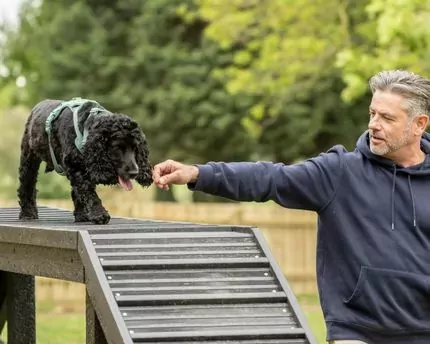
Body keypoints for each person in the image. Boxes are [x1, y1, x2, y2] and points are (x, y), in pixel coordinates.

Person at [152, 70, 430, 344]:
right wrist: (197, 174)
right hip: (357, 330)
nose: (373, 124)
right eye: (372, 113)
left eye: (387, 118)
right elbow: (270, 178)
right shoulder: (339, 173)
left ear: (419, 124)